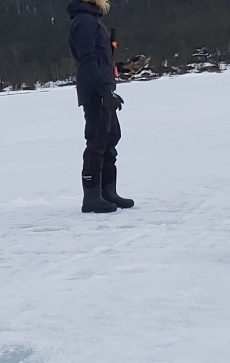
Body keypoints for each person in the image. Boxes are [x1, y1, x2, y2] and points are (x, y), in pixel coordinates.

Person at [67, 0, 135, 213]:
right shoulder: (85, 22)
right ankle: (91, 197)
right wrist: (104, 90)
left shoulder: (92, 21)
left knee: (111, 136)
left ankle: (108, 192)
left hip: (102, 89)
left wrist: (120, 68)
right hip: (95, 92)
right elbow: (86, 61)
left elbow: (99, 61)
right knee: (97, 140)